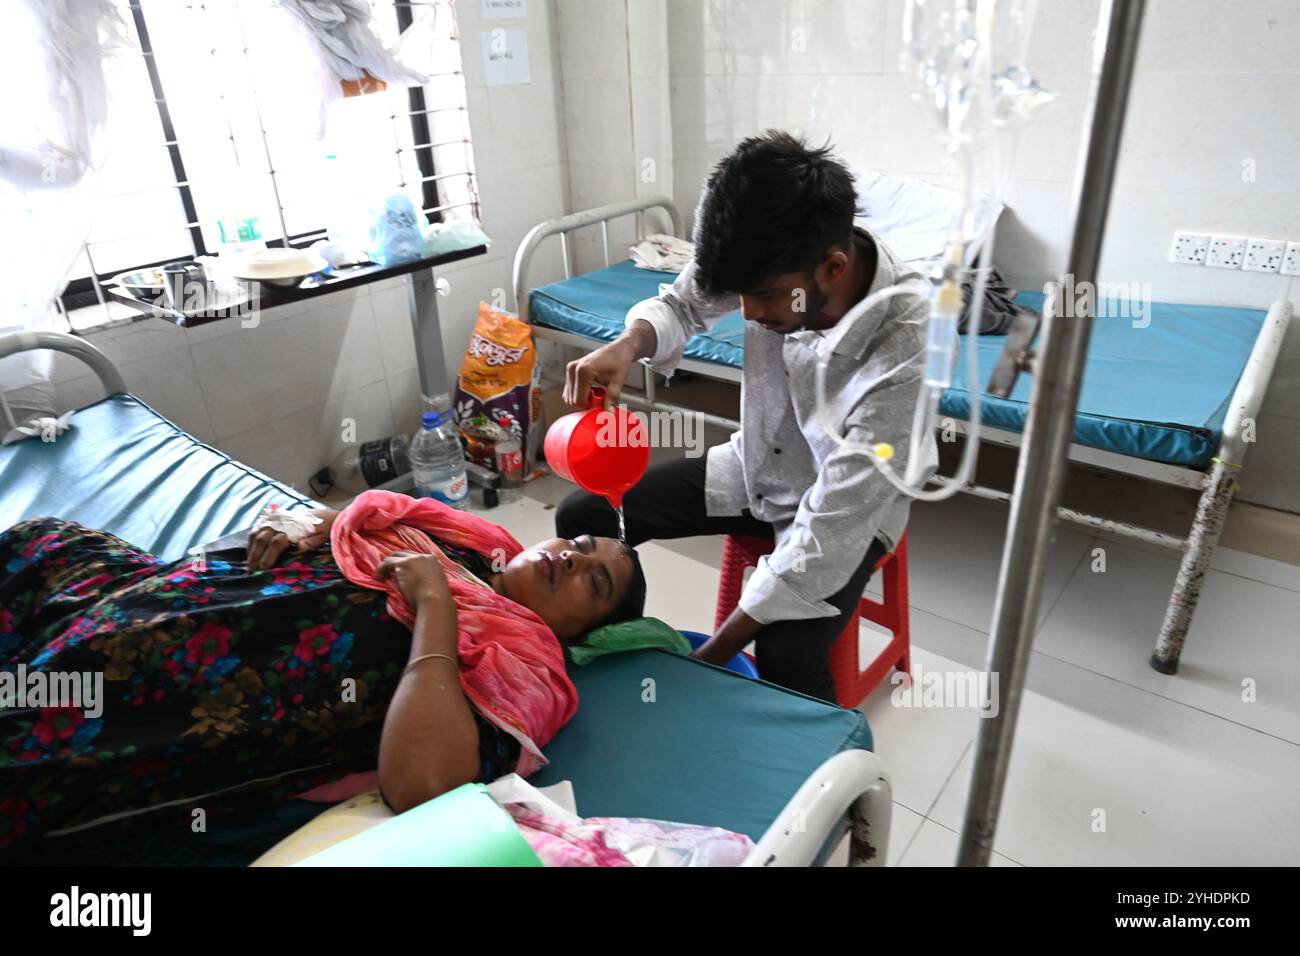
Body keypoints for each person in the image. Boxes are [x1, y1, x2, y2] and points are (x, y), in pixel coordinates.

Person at [0, 502, 645, 862]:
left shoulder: (533, 663)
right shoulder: (471, 537)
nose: (573, 556)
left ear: (584, 633)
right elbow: (346, 522)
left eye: (595, 580)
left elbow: (425, 783)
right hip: (210, 589)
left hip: (230, 673)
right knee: (42, 544)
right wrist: (301, 526)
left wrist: (437, 609)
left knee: (78, 679)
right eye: (582, 542)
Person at [557, 130, 936, 702]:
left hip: (854, 505)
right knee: (585, 515)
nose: (748, 315)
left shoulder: (901, 335)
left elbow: (832, 527)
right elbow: (683, 302)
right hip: (756, 465)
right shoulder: (769, 260)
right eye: (738, 296)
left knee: (788, 659)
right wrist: (628, 344)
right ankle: (616, 658)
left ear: (833, 268)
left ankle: (837, 782)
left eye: (763, 298)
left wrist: (705, 661)